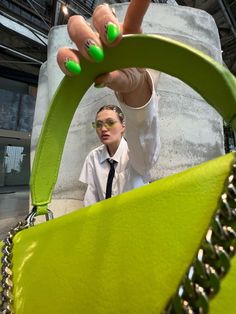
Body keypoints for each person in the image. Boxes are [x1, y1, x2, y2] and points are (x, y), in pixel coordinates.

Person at [57, 0, 161, 206]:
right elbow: (91, 199)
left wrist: (135, 88)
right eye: (99, 124)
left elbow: (144, 141)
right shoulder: (93, 158)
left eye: (110, 122)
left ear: (124, 126)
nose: (103, 128)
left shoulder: (136, 156)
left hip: (136, 225)